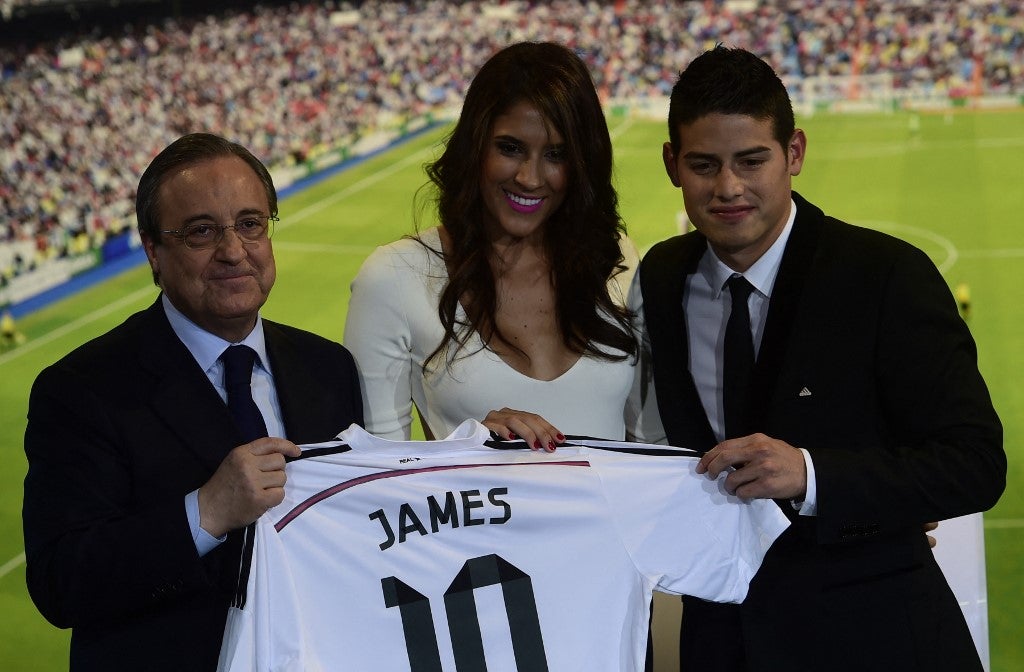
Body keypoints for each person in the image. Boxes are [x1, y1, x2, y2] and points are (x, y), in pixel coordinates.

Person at [630, 45, 1006, 671]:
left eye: (752, 160)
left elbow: (974, 465)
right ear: (672, 164)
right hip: (722, 644)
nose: (728, 187)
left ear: (794, 152)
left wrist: (813, 475)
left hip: (875, 639)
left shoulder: (886, 276)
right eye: (704, 164)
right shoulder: (661, 277)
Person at [22, 132, 364, 671]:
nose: (233, 251)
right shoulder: (81, 389)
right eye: (201, 231)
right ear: (154, 251)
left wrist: (488, 449)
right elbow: (61, 582)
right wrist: (204, 513)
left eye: (250, 224)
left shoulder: (328, 367)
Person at [344, 41, 638, 447]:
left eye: (556, 154)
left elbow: (652, 447)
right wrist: (470, 446)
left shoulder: (619, 259)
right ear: (475, 145)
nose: (531, 178)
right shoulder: (393, 278)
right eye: (510, 148)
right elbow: (372, 476)